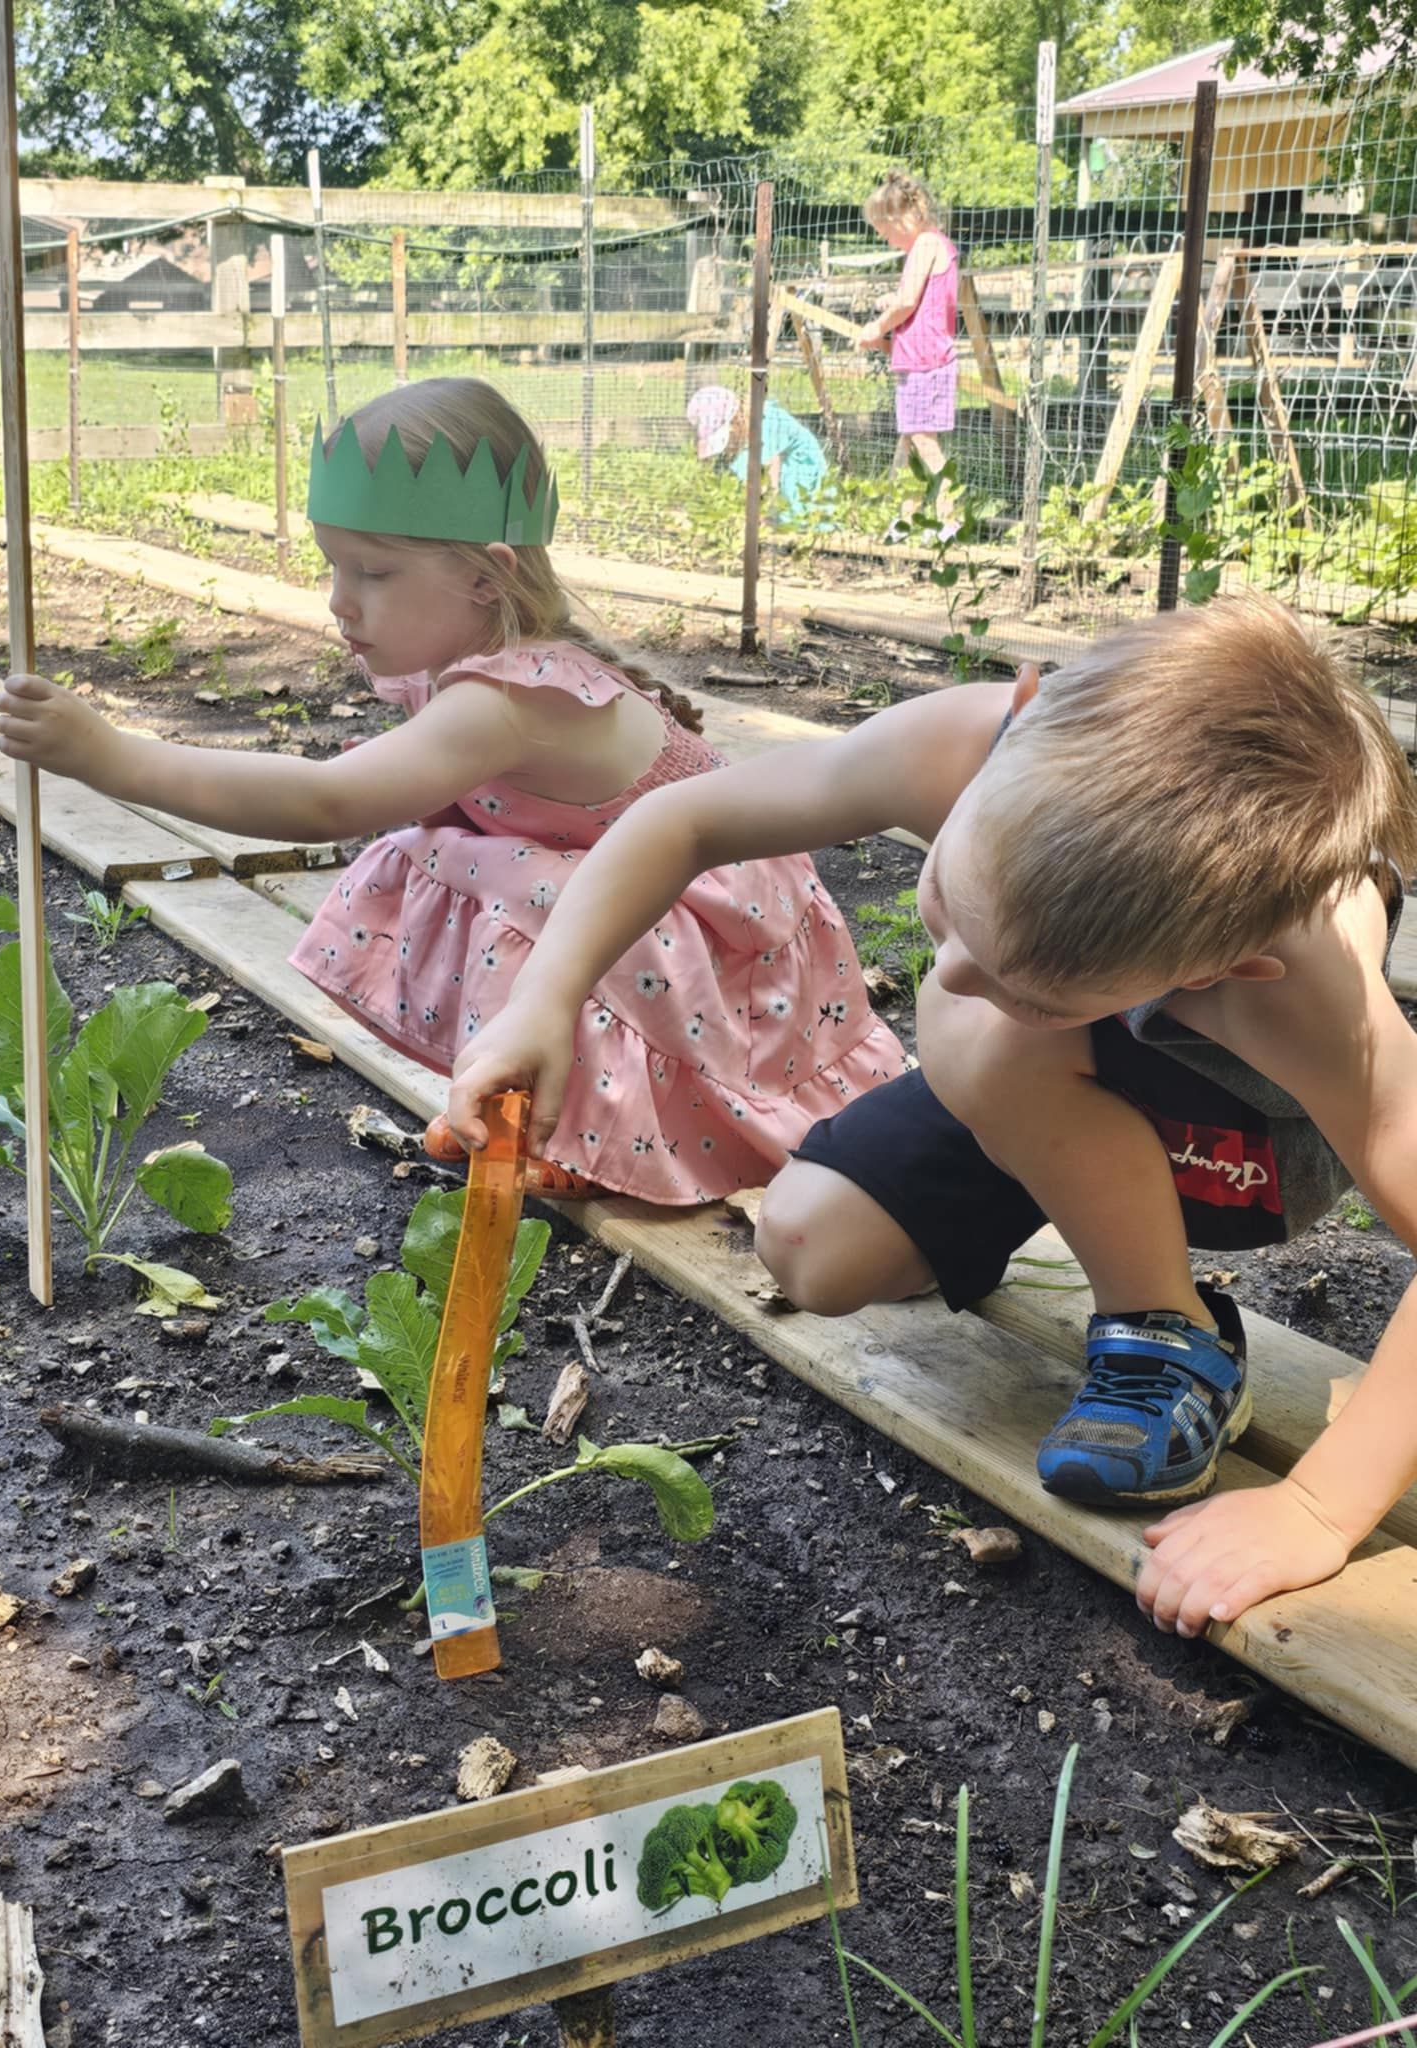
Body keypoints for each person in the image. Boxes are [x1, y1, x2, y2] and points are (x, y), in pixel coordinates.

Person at [445, 593, 1417, 1635]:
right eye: (950, 904)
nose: (946, 971)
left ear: (1228, 964)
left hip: (1235, 1145)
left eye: (1028, 979)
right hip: (1045, 1072)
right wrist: (543, 1000)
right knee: (813, 1248)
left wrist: (1317, 1508)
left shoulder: (1305, 994)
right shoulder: (984, 744)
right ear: (1023, 713)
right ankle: (1055, 1144)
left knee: (978, 1030)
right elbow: (682, 820)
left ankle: (1165, 1333)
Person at [0, 376, 902, 1204]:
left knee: (477, 868)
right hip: (659, 922)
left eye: (373, 573)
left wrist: (109, 759)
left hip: (720, 948)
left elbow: (329, 803)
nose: (339, 602)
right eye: (334, 565)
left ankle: (582, 1126)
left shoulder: (505, 702)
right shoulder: (484, 676)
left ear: (486, 575)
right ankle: (532, 1101)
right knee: (474, 861)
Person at [856, 171, 959, 534]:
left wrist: (877, 326)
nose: (884, 237)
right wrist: (889, 315)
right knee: (909, 446)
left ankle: (952, 517)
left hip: (926, 362)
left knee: (923, 443)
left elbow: (907, 301)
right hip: (918, 359)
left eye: (885, 229)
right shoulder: (929, 247)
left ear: (906, 217)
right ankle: (903, 521)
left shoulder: (926, 245)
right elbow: (916, 301)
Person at [686, 385, 832, 526]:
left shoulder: (763, 425)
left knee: (793, 519)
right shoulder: (747, 424)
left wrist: (758, 514)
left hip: (803, 470)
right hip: (786, 465)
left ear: (735, 422)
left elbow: (761, 476)